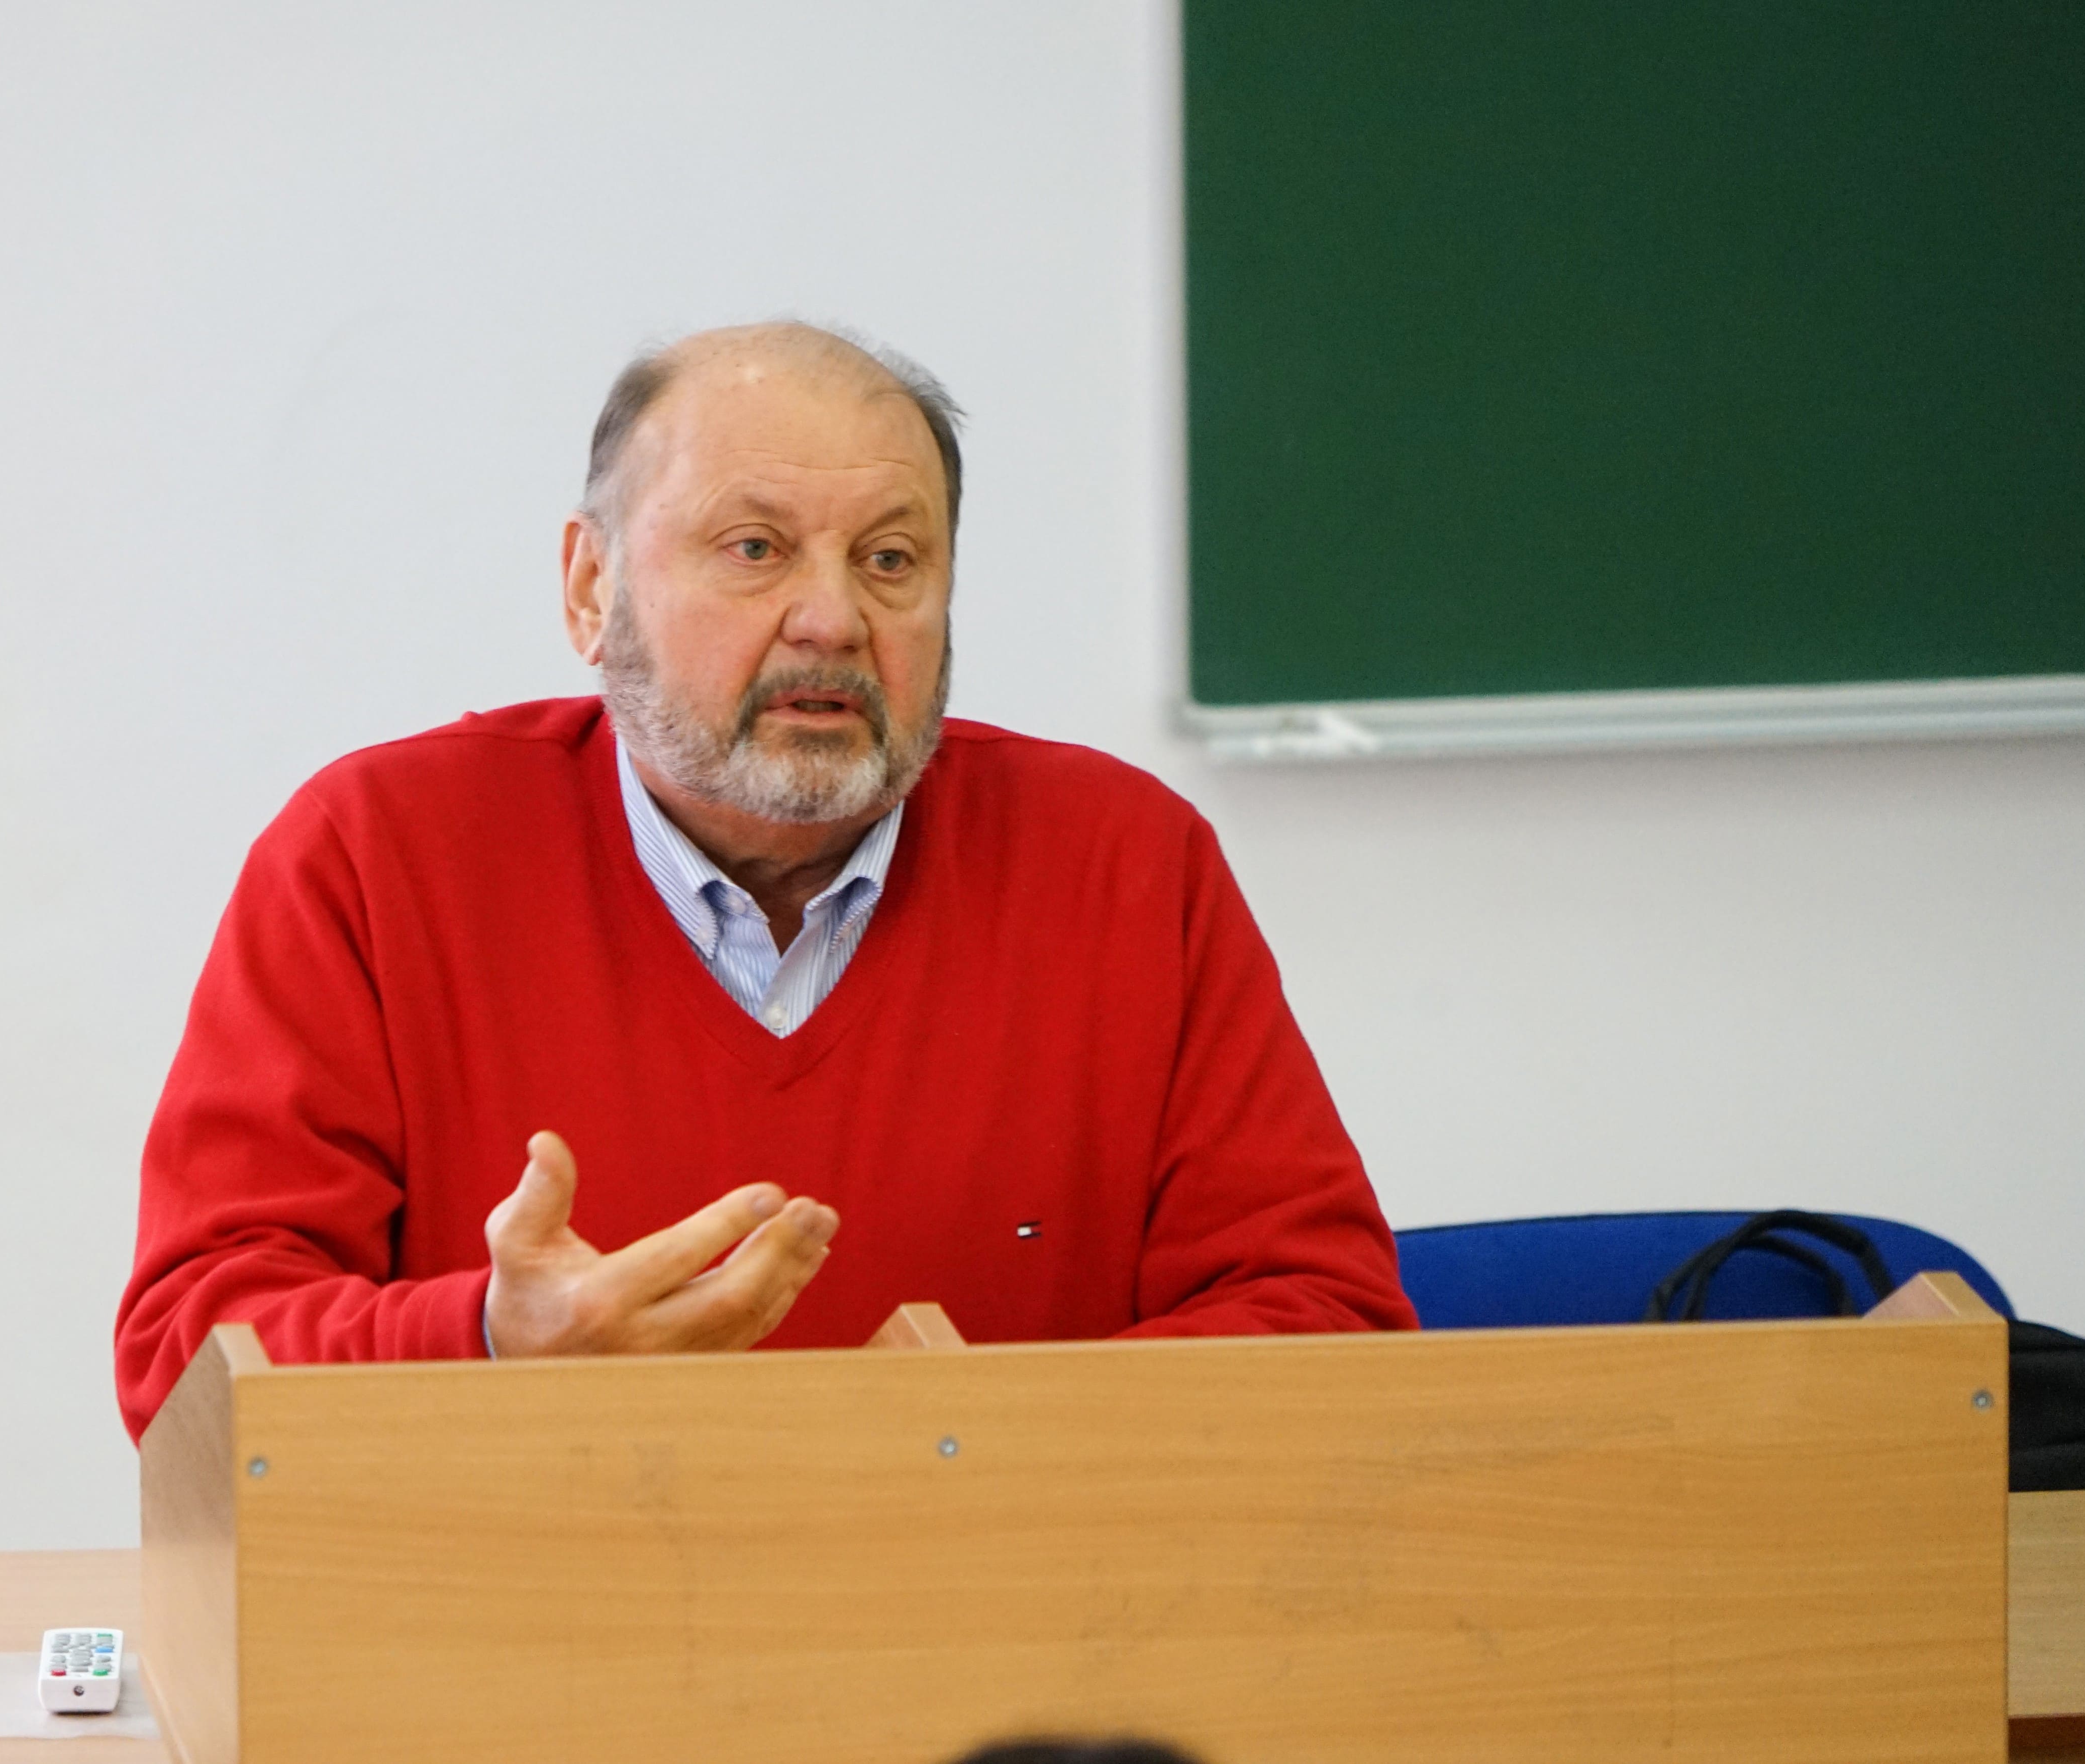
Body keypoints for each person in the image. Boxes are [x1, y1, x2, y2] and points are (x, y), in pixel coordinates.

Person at [113, 322, 1414, 1438]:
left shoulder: (1123, 864)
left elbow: (1323, 1317)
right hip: (530, 1616)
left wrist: (947, 1454)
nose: (832, 619)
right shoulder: (376, 855)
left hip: (1010, 1614)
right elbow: (186, 1360)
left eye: (891, 560)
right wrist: (493, 1346)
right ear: (592, 589)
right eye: (754, 549)